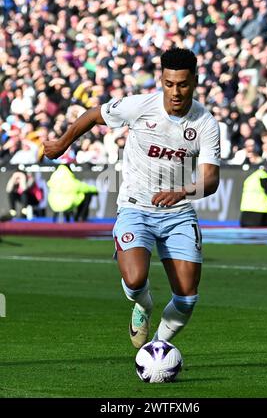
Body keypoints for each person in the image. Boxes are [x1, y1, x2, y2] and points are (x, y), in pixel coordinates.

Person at [44, 47, 220, 348]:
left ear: (195, 81)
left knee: (187, 298)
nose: (175, 92)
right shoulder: (139, 106)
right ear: (161, 80)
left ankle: (156, 347)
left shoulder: (205, 123)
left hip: (178, 213)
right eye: (169, 83)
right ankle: (144, 305)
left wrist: (182, 191)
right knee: (136, 279)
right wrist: (62, 143)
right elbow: (93, 115)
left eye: (183, 84)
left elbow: (210, 179)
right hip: (135, 207)